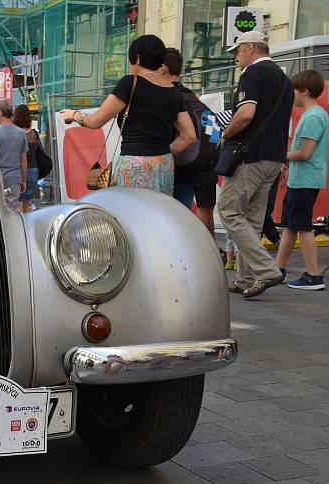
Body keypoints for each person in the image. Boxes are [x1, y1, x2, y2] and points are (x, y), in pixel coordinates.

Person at [60, 35, 195, 195]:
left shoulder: (130, 83)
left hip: (134, 163)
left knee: (130, 214)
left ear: (137, 58)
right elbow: (189, 136)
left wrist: (74, 114)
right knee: (158, 215)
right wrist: (161, 153)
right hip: (165, 163)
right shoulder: (174, 92)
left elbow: (95, 121)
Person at [218, 31, 294, 298]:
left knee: (228, 210)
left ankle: (266, 269)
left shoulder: (252, 74)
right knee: (252, 218)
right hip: (274, 157)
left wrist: (225, 133)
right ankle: (245, 276)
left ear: (250, 48)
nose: (236, 58)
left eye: (237, 51)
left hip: (250, 154)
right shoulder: (285, 80)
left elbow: (246, 113)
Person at [274, 69, 328, 290]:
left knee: (302, 226)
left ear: (304, 91)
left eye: (293, 91)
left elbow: (304, 153)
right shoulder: (316, 114)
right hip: (302, 179)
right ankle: (277, 269)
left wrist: (280, 155)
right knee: (291, 226)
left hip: (305, 179)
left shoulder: (313, 116)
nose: (291, 95)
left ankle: (314, 275)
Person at [160, 48, 220, 229]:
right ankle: (209, 254)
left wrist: (165, 154)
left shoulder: (169, 97)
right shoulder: (192, 96)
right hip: (207, 160)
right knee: (204, 211)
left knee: (175, 215)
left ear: (162, 68)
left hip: (183, 165)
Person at [0, 99, 28, 212]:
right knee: (12, 210)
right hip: (14, 178)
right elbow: (23, 160)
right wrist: (23, 180)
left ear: (0, 112)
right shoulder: (21, 133)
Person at [13, 104, 40, 212]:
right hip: (33, 170)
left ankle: (20, 227)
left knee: (17, 205)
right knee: (27, 205)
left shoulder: (15, 134)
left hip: (18, 171)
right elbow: (38, 152)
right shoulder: (34, 133)